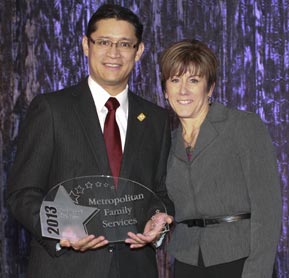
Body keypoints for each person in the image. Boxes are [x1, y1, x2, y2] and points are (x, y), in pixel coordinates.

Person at [7, 4, 173, 278]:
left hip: (135, 269)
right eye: (104, 42)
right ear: (86, 45)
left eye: (125, 44)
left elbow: (159, 193)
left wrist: (159, 221)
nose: (113, 53)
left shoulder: (155, 119)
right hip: (66, 268)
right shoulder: (51, 110)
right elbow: (22, 193)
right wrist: (61, 230)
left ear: (139, 50)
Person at [159, 39, 282, 278]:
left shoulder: (242, 126)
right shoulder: (167, 141)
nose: (183, 90)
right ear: (165, 90)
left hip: (240, 259)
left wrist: (257, 271)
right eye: (175, 80)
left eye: (193, 80)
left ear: (210, 87)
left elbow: (268, 209)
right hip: (186, 262)